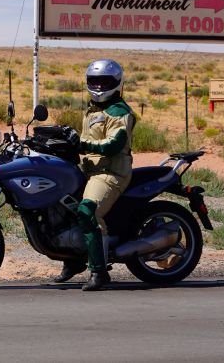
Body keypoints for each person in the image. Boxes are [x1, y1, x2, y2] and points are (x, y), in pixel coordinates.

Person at [55, 59, 134, 291]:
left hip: (110, 172)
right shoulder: (92, 109)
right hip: (89, 169)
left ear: (116, 82)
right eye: (95, 82)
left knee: (87, 211)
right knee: (61, 206)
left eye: (104, 82)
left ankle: (99, 272)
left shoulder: (119, 112)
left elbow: (113, 144)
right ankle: (74, 260)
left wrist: (82, 144)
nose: (99, 87)